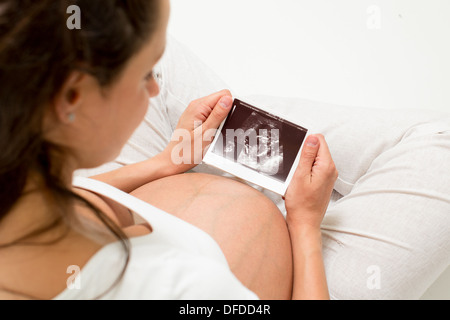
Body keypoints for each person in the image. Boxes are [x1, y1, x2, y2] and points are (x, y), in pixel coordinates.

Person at [0, 0, 337, 300]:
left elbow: (73, 196)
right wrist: (306, 227)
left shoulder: (27, 193)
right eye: (147, 72)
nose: (156, 88)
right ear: (73, 98)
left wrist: (164, 163)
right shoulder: (189, 288)